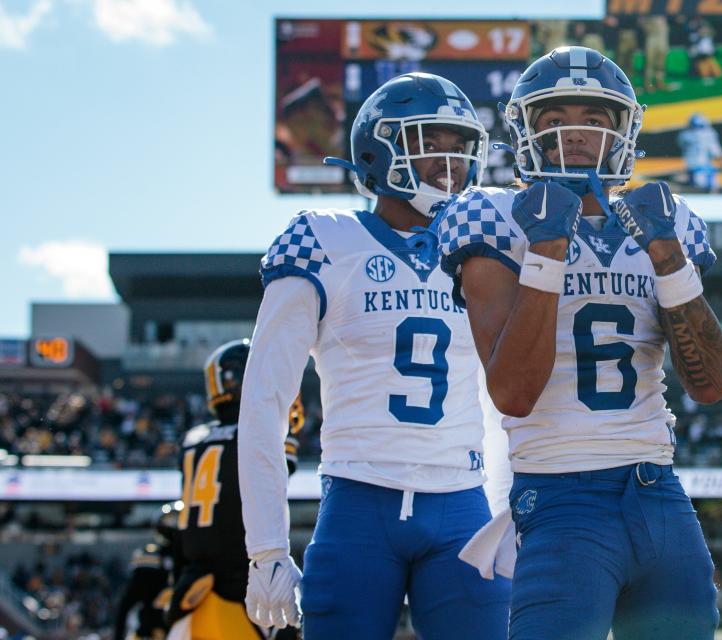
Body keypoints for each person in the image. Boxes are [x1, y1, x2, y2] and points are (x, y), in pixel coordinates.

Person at [437, 46, 722, 640]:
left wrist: (668, 256)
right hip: (560, 495)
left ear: (622, 132)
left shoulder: (663, 221)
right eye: (556, 120)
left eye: (595, 121)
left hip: (658, 491)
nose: (577, 133)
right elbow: (514, 393)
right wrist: (546, 251)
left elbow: (711, 385)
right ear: (526, 133)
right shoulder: (493, 216)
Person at [238, 72, 510, 640]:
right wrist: (265, 546)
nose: (449, 160)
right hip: (358, 498)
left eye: (460, 146)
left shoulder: (483, 249)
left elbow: (502, 400)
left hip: (463, 500)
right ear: (377, 148)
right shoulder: (322, 238)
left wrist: (509, 508)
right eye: (429, 141)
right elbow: (265, 399)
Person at [166, 339, 302, 640]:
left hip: (191, 585)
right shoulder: (256, 431)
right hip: (241, 581)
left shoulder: (192, 438)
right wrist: (288, 425)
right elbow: (279, 473)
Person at [113, 504, 177, 640]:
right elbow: (128, 602)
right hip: (155, 630)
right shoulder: (154, 557)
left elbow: (126, 604)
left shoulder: (196, 557)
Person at [677, 113, 722, 193]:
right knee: (709, 194)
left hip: (692, 170)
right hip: (704, 171)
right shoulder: (708, 135)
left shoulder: (685, 135)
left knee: (695, 194)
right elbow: (718, 154)